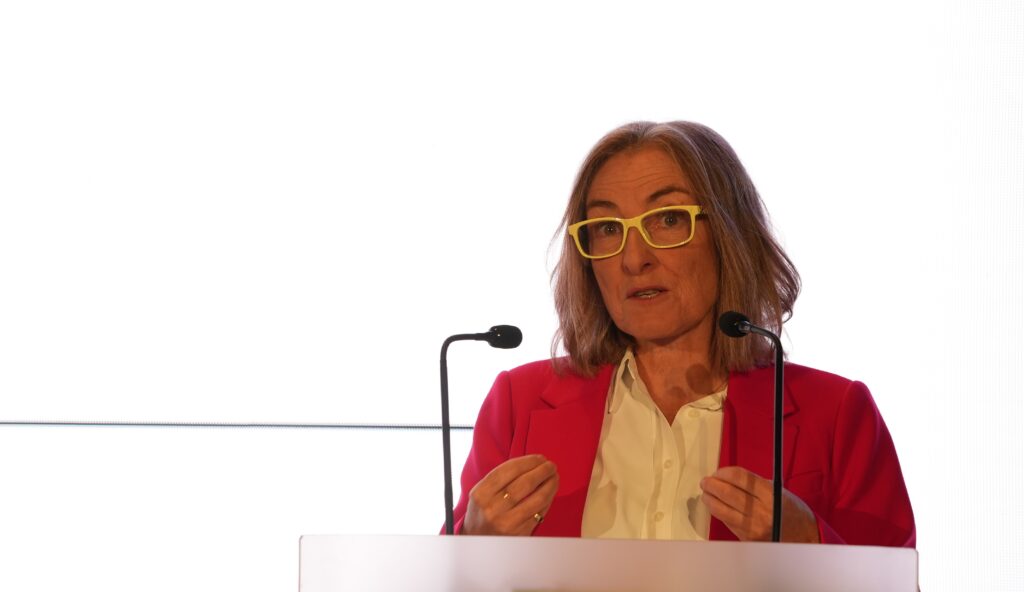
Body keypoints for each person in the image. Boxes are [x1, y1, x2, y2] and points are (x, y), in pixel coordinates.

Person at [449, 121, 915, 546]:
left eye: (669, 219)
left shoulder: (836, 414)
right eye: (608, 228)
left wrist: (811, 546)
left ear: (731, 236)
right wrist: (473, 544)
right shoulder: (519, 404)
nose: (634, 259)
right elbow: (451, 578)